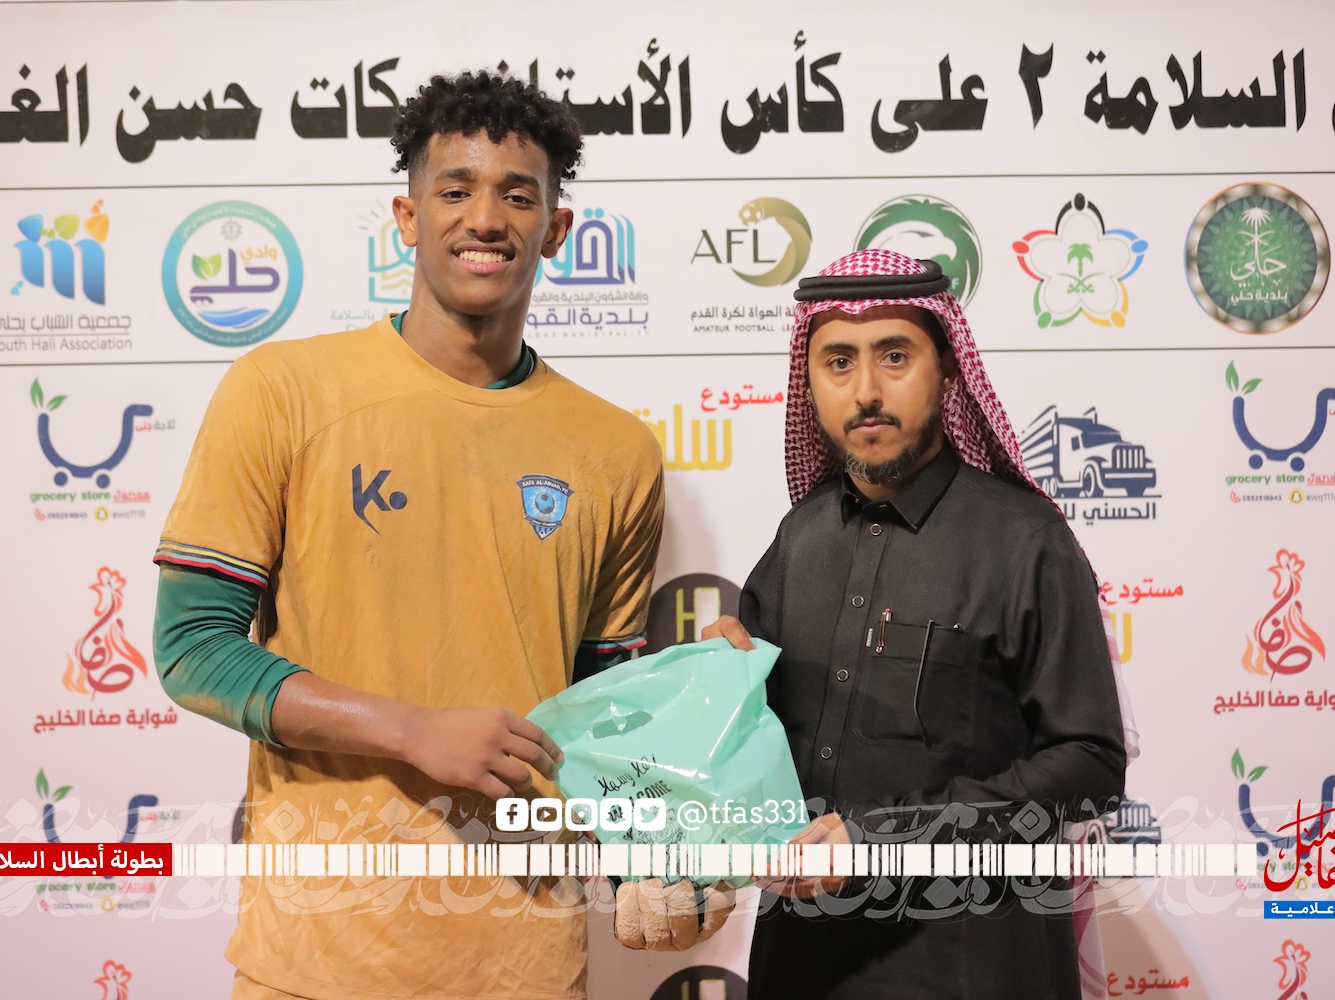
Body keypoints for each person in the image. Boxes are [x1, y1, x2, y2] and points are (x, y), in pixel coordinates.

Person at [151, 70, 666, 999]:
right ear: (407, 215)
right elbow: (193, 649)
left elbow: (605, 710)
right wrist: (412, 730)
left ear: (557, 228)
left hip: (527, 964)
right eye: (455, 190)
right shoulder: (283, 391)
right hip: (319, 960)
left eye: (518, 196)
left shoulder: (617, 451)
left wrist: (660, 852)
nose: (486, 219)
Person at [702, 249, 1131, 1000]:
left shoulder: (1025, 541)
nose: (866, 391)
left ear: (948, 368)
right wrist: (714, 694)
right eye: (839, 362)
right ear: (809, 380)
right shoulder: (798, 540)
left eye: (894, 356)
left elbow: (1089, 765)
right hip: (801, 965)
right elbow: (756, 757)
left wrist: (880, 840)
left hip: (971, 965)